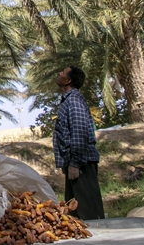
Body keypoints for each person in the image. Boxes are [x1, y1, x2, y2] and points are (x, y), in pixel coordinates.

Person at [53, 66, 105, 221]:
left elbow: (79, 131)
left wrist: (75, 163)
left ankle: (98, 235)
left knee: (88, 212)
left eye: (63, 72)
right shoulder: (68, 101)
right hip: (74, 162)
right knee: (74, 213)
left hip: (82, 164)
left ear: (68, 80)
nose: (59, 73)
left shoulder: (74, 100)